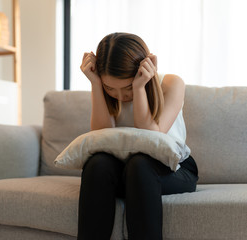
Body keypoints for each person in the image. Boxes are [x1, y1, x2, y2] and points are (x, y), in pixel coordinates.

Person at [78, 32, 199, 240]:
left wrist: (140, 87)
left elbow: (153, 138)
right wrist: (97, 85)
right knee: (97, 163)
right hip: (126, 172)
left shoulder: (172, 84)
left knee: (140, 164)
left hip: (173, 168)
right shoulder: (104, 90)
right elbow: (101, 138)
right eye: (110, 88)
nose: (120, 96)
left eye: (126, 88)